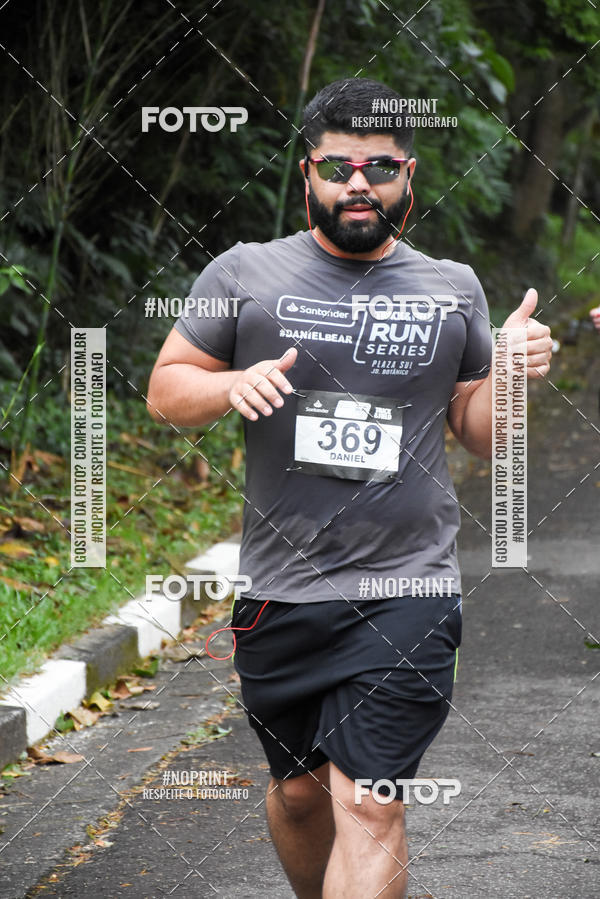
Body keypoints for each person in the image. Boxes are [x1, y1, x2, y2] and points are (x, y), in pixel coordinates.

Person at [147, 78, 553, 899]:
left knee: (368, 800)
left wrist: (508, 371)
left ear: (409, 174)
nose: (357, 183)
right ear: (308, 176)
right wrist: (230, 385)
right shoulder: (245, 273)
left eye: (378, 166)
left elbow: (480, 431)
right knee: (301, 795)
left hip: (409, 585)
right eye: (338, 168)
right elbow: (166, 390)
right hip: (282, 590)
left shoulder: (452, 287)